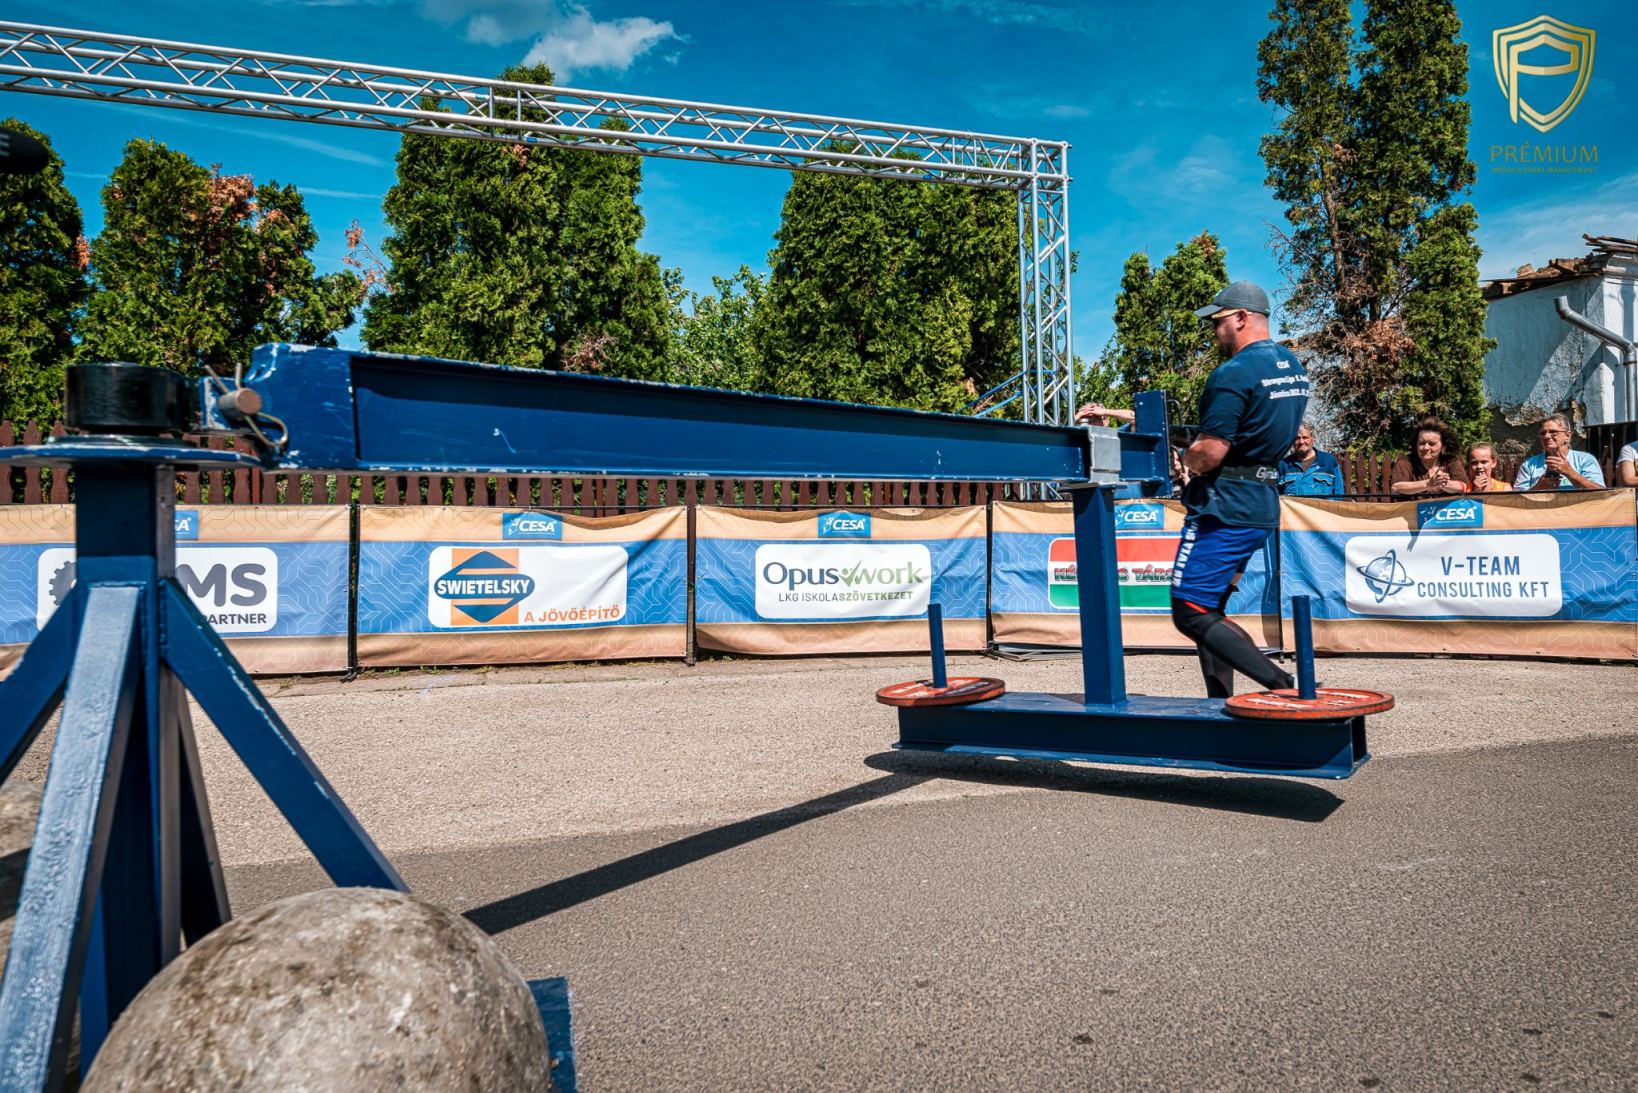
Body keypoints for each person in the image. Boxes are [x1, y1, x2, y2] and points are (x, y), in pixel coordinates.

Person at [1167, 280, 1307, 699]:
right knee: (1211, 608)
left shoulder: (1233, 373)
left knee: (1190, 610)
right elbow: (1249, 432)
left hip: (1225, 507)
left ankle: (1283, 686)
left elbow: (1211, 452)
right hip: (1261, 502)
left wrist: (1185, 460)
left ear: (1242, 318)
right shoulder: (1291, 366)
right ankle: (1220, 705)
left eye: (1218, 321)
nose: (1214, 331)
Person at [1513, 413, 1606, 490]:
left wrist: (1570, 473)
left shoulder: (1585, 460)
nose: (1546, 436)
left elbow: (1600, 492)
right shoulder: (1529, 465)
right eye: (1542, 433)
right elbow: (1516, 499)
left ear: (1567, 436)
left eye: (1553, 432)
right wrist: (1538, 487)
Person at [1389, 417, 1470, 495]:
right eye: (1422, 443)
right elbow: (1396, 487)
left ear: (1443, 447)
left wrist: (1443, 483)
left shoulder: (1452, 462)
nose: (1426, 447)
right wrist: (1428, 484)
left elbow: (1462, 486)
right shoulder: (1405, 462)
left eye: (1432, 444)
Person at [1277, 422, 1346, 496]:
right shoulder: (1284, 465)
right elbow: (1275, 495)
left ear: (1313, 439)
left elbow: (1338, 494)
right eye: (1297, 438)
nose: (1301, 441)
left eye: (1305, 437)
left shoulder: (1328, 461)